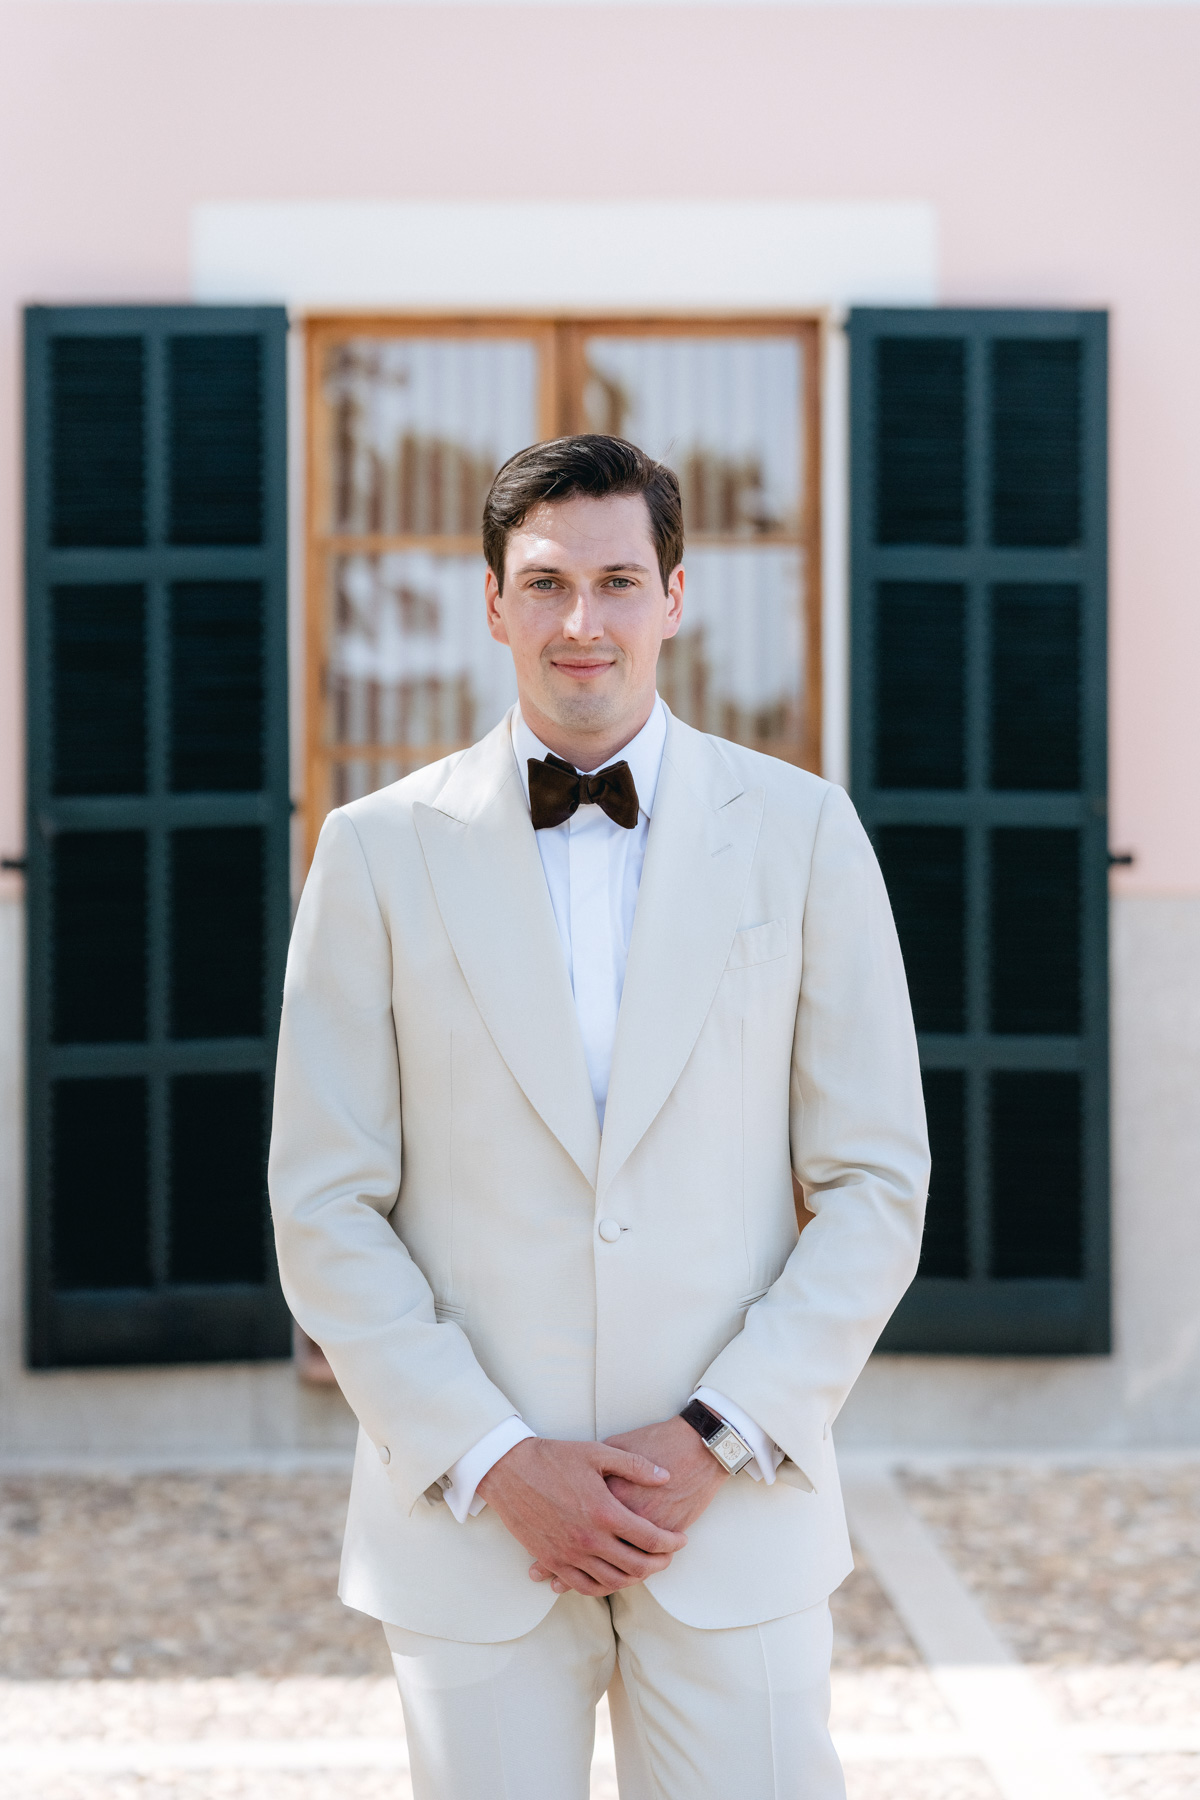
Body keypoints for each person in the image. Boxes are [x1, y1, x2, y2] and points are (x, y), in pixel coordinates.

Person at [268, 433, 929, 1799]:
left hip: (735, 1515)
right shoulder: (375, 851)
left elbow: (875, 1184)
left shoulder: (807, 833)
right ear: (494, 603)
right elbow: (324, 1204)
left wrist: (719, 1435)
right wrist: (496, 1459)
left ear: (674, 596)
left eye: (619, 581)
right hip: (471, 1527)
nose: (584, 621)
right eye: (547, 584)